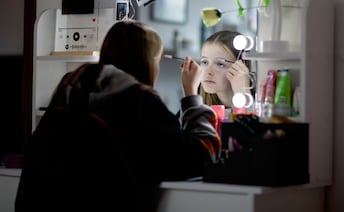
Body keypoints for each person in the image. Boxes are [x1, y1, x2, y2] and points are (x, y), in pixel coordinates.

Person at [15, 20, 221, 212]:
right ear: (146, 63)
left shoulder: (68, 91)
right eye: (156, 60)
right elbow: (203, 157)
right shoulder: (139, 103)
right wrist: (192, 95)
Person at [199, 30, 253, 108]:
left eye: (220, 64)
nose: (208, 72)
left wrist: (242, 92)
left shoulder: (258, 99)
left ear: (240, 68)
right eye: (204, 62)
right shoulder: (196, 98)